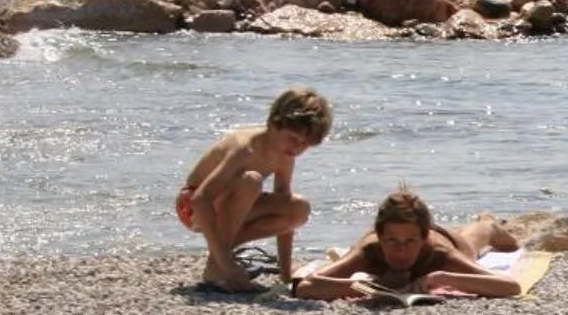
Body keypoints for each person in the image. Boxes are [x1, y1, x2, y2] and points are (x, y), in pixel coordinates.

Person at [176, 87, 331, 291]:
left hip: (233, 207)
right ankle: (218, 267)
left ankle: (222, 258)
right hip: (194, 208)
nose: (297, 148)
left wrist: (286, 275)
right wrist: (227, 265)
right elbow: (201, 198)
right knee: (251, 180)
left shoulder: (285, 155)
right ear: (274, 123)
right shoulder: (244, 148)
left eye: (305, 144)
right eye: (293, 138)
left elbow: (284, 204)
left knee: (298, 208)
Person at [291, 189, 524, 302]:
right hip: (416, 231)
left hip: (449, 240)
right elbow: (306, 286)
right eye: (391, 241)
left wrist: (443, 277)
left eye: (410, 242)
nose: (400, 251)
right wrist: (368, 287)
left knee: (479, 234)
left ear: (422, 239)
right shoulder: (370, 251)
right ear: (380, 237)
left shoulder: (439, 254)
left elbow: (511, 287)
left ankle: (488, 221)